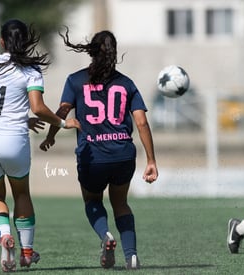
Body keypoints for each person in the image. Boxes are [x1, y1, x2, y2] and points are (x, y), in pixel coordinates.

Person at [39, 28, 158, 270]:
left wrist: (51, 135)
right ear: (115, 53)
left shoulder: (75, 80)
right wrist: (151, 161)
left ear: (91, 51)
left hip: (92, 156)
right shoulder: (126, 83)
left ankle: (105, 235)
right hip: (123, 154)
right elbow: (142, 122)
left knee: (92, 200)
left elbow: (62, 112)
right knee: (121, 203)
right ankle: (132, 255)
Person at [0, 19, 81, 272]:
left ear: (1, 41)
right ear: (26, 41)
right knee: (21, 193)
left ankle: (4, 239)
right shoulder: (31, 71)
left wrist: (23, 117)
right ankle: (27, 253)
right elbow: (38, 107)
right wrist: (64, 124)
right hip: (13, 139)